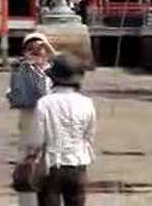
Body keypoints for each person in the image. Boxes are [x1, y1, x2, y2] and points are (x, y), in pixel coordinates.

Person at [32, 53, 96, 206]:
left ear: (53, 78)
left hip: (51, 165)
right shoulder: (87, 103)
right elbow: (89, 135)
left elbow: (38, 139)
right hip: (78, 165)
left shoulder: (44, 103)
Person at [6, 32, 56, 206]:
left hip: (47, 124)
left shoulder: (53, 70)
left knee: (49, 167)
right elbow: (16, 98)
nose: (36, 52)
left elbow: (68, 64)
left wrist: (48, 50)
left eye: (39, 48)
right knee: (29, 166)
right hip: (30, 120)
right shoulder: (22, 70)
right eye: (31, 48)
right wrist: (31, 69)